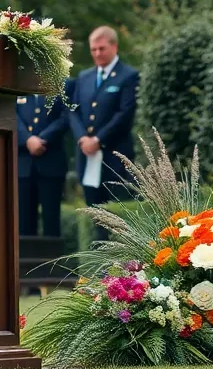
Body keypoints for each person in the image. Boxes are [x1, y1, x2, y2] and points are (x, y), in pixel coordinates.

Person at [69, 27, 139, 209]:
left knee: (116, 209)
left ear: (114, 47)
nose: (97, 53)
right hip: (87, 155)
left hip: (114, 156)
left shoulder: (128, 76)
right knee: (92, 211)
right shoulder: (85, 77)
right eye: (94, 49)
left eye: (102, 48)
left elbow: (125, 114)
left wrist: (98, 140)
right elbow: (73, 109)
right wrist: (82, 138)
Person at [16, 78, 75, 239]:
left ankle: (52, 263)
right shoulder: (17, 81)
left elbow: (67, 116)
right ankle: (25, 264)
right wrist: (27, 140)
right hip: (22, 165)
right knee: (23, 223)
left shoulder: (63, 83)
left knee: (51, 222)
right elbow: (11, 114)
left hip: (51, 162)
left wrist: (42, 139)